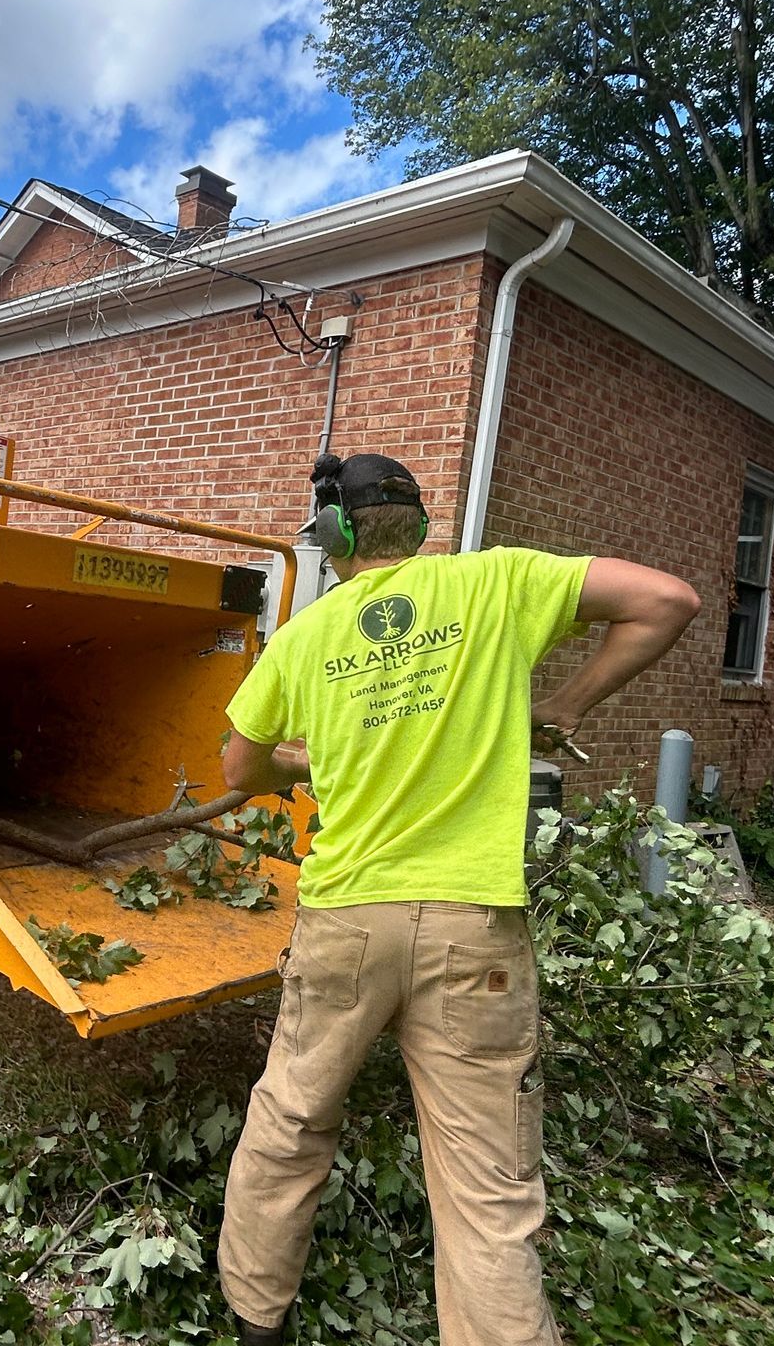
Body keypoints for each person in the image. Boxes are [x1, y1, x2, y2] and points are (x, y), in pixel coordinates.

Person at [216, 451, 701, 1346]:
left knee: (289, 1121)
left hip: (346, 921)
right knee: (488, 1186)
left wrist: (310, 758)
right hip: (474, 928)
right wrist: (569, 700)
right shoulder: (500, 583)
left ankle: (256, 1322)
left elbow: (239, 765)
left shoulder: (305, 638)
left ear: (336, 535)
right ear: (420, 525)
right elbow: (668, 600)